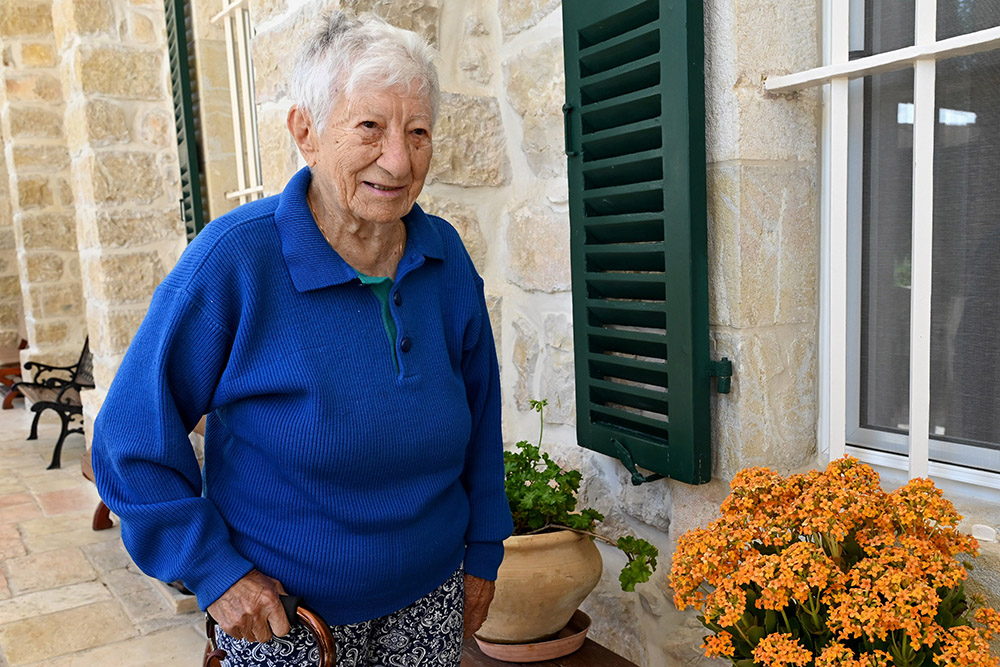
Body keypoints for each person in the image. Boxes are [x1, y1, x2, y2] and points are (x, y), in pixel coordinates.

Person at [92, 11, 513, 666]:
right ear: (306, 131)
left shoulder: (445, 257)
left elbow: (482, 421)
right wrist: (212, 569)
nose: (398, 160)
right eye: (370, 127)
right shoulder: (235, 262)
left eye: (418, 131)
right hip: (288, 621)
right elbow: (130, 437)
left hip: (432, 598)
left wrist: (485, 548)